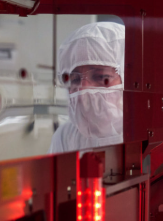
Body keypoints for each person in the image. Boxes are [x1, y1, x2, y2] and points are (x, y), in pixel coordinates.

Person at [49, 22, 125, 154]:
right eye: (75, 79)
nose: (83, 90)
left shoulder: (149, 136)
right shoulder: (65, 137)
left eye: (101, 77)